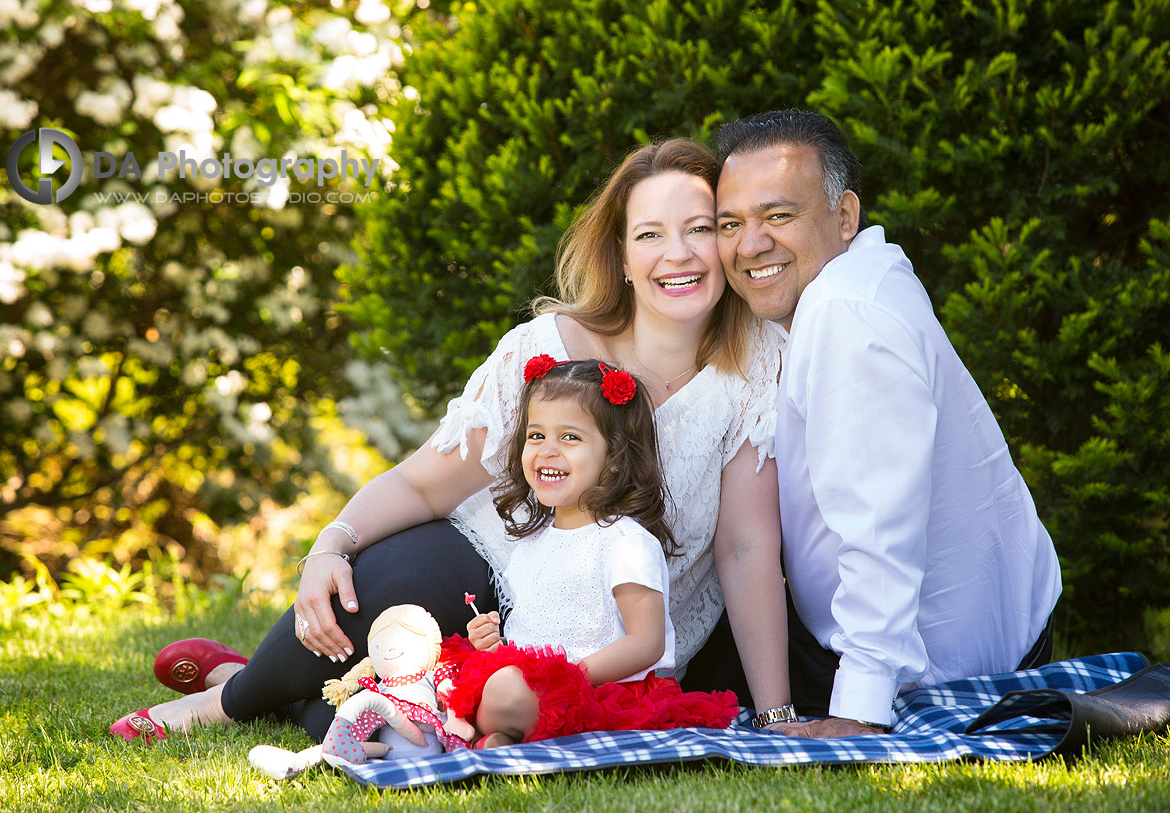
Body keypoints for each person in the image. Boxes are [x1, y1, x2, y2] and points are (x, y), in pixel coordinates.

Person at [111, 138, 794, 744]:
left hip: (604, 617)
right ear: (620, 255)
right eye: (650, 234)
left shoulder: (757, 363)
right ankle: (227, 702)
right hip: (489, 562)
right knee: (389, 592)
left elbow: (745, 543)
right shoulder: (549, 347)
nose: (677, 254)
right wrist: (330, 542)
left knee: (422, 721)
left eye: (700, 228)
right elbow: (422, 482)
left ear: (727, 237)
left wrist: (776, 716)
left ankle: (265, 686)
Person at [713, 109, 1062, 738]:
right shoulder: (853, 284)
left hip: (939, 671)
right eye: (730, 223)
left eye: (778, 216)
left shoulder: (849, 316)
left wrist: (859, 712)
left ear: (845, 216)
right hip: (950, 641)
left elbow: (880, 524)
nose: (749, 244)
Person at [440, 357, 739, 747]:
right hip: (535, 690)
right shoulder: (531, 544)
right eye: (536, 435)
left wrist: (567, 678)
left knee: (506, 692)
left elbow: (647, 642)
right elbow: (534, 633)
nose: (547, 450)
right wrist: (494, 644)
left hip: (599, 691)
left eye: (570, 437)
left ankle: (505, 731)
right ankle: (507, 735)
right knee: (460, 676)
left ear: (613, 458)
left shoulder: (624, 541)